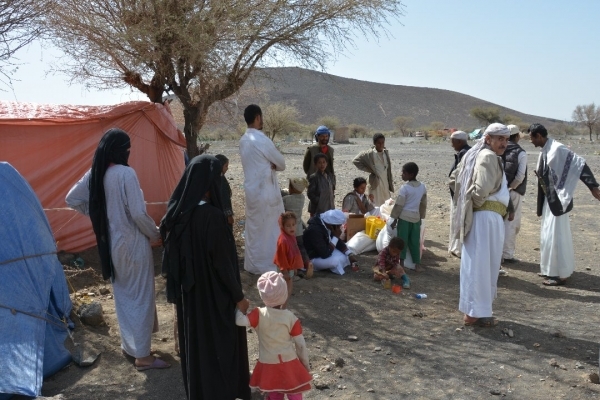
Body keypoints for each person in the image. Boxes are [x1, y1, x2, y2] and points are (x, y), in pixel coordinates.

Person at [65, 128, 169, 371]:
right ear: (121, 151)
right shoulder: (125, 174)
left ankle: (131, 346)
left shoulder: (95, 173)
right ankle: (143, 357)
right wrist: (156, 234)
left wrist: (98, 214)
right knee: (141, 297)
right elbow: (137, 213)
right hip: (133, 245)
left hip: (112, 246)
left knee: (124, 297)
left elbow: (71, 198)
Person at [160, 155, 251, 399]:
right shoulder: (213, 218)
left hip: (191, 300)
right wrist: (239, 297)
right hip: (215, 299)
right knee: (220, 347)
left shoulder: (177, 216)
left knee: (198, 348)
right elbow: (223, 266)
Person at [450, 123, 515, 327]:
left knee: (481, 265)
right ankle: (474, 313)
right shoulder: (487, 156)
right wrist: (479, 204)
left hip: (487, 218)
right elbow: (480, 191)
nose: (504, 143)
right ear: (488, 139)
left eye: (506, 139)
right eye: (499, 139)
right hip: (485, 218)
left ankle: (476, 311)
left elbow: (454, 179)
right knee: (481, 266)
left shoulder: (478, 156)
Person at [529, 123, 600, 286]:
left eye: (532, 138)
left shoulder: (557, 149)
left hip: (559, 199)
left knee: (557, 236)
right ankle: (549, 270)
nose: (531, 141)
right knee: (547, 235)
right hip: (549, 199)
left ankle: (561, 274)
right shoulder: (545, 150)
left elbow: (579, 164)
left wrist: (593, 186)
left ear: (539, 136)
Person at [235, 271, 312, 400]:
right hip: (289, 362)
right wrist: (305, 364)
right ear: (284, 293)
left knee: (274, 392)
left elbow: (239, 321)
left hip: (268, 363)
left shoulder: (258, 314)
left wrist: (241, 308)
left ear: (262, 295)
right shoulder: (291, 318)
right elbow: (301, 345)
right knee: (295, 391)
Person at [240, 104, 286, 274]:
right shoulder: (261, 139)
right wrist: (271, 164)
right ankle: (270, 266)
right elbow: (281, 163)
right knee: (270, 230)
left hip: (252, 193)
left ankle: (253, 266)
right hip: (266, 193)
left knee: (254, 230)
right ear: (258, 117)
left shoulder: (243, 140)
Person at [390, 162, 427, 270]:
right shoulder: (423, 187)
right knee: (415, 242)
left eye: (404, 173)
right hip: (415, 218)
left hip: (404, 218)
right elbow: (423, 204)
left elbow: (399, 205)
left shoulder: (404, 188)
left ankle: (401, 263)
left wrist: (394, 219)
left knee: (402, 241)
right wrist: (420, 218)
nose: (402, 174)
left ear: (410, 175)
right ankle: (417, 264)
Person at [501, 125, 527, 264]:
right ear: (517, 136)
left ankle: (498, 253)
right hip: (514, 191)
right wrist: (511, 187)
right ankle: (507, 254)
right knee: (511, 223)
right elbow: (520, 176)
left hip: (498, 191)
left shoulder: (498, 149)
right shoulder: (520, 152)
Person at [303, 209, 358, 275]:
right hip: (313, 258)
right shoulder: (315, 230)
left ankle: (343, 261)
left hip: (323, 252)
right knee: (335, 261)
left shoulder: (326, 224)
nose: (339, 227)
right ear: (332, 224)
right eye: (338, 225)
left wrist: (349, 255)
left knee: (348, 250)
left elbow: (338, 243)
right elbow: (325, 254)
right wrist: (336, 236)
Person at [274, 212, 306, 308]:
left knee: (287, 289)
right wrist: (285, 272)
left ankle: (281, 307)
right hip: (284, 269)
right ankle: (281, 308)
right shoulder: (283, 240)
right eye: (288, 226)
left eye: (293, 224)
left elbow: (293, 252)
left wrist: (294, 267)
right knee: (286, 289)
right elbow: (281, 258)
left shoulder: (291, 237)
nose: (291, 228)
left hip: (289, 267)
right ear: (283, 227)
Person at [352, 133, 395, 206]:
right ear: (374, 143)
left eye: (382, 142)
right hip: (375, 183)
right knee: (375, 205)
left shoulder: (385, 153)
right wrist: (370, 169)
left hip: (385, 182)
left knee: (387, 204)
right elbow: (355, 160)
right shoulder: (370, 153)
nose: (381, 145)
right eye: (379, 143)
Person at [448, 130, 471, 258]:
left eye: (453, 142)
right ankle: (455, 247)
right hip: (458, 193)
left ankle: (459, 249)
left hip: (461, 194)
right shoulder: (463, 152)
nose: (452, 145)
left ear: (459, 141)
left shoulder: (465, 154)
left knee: (459, 219)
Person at [303, 125, 336, 191]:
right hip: (315, 181)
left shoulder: (330, 150)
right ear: (317, 137)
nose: (325, 138)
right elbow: (306, 166)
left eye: (326, 136)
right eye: (322, 136)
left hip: (328, 180)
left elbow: (330, 166)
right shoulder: (311, 149)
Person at [215, 154, 234, 229]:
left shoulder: (214, 177)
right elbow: (225, 198)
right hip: (223, 215)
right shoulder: (221, 179)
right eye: (226, 166)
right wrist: (229, 215)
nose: (227, 168)